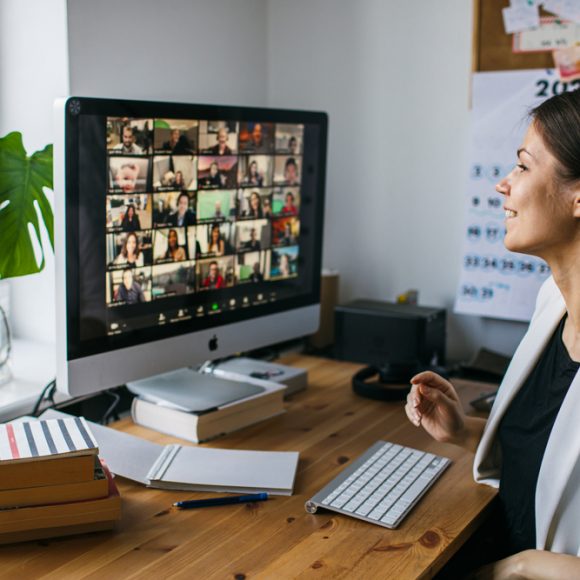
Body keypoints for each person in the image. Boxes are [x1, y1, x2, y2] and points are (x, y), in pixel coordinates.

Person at [405, 90, 580, 577]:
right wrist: (466, 433)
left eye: (524, 166)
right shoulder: (553, 304)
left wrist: (525, 566)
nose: (504, 185)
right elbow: (555, 461)